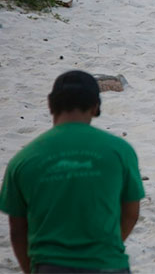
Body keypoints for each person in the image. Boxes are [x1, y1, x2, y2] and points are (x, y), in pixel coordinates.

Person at [0, 71, 144, 274]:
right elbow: (131, 213)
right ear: (96, 107)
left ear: (50, 104)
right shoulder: (119, 151)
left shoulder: (23, 160)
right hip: (108, 264)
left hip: (50, 266)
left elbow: (17, 231)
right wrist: (104, 249)